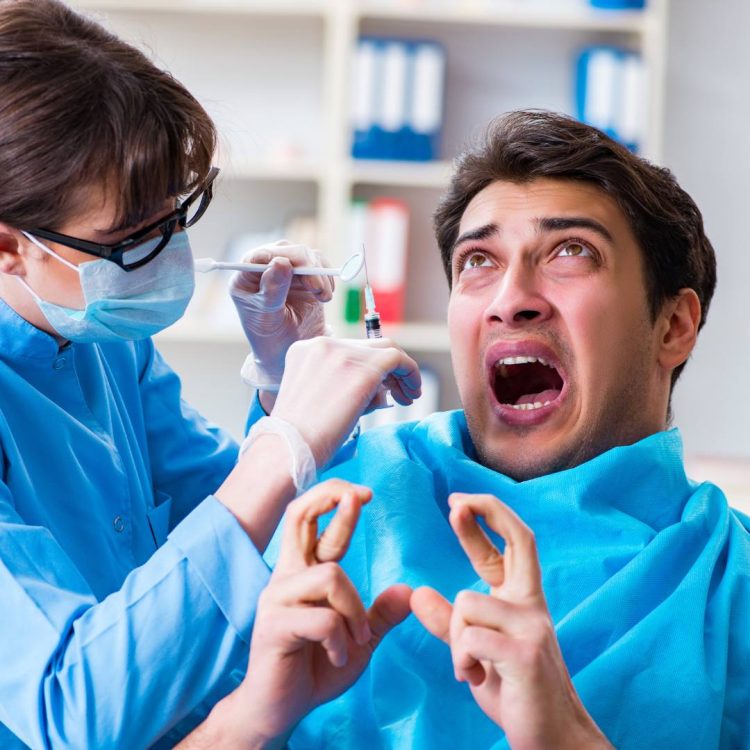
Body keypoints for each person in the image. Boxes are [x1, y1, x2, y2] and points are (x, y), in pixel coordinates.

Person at [192, 110, 749, 749]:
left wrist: (566, 737)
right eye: (478, 260)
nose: (510, 297)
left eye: (572, 251)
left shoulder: (732, 584)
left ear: (673, 326)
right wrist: (248, 720)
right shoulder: (339, 507)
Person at [0, 1, 421, 747]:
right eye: (129, 239)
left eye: (174, 213)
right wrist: (283, 442)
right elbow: (70, 712)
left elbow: (231, 527)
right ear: (10, 247)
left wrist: (276, 385)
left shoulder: (101, 340)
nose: (167, 253)